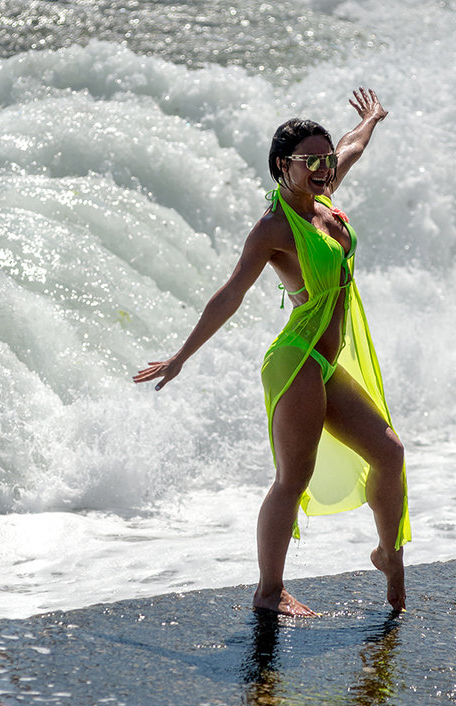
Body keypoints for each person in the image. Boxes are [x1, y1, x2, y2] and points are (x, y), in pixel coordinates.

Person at [134, 88, 409, 617]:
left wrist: (371, 118)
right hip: (297, 359)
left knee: (390, 453)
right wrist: (181, 355)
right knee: (293, 478)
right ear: (284, 166)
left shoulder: (324, 203)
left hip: (326, 361)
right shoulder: (274, 228)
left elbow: (352, 146)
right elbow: (231, 293)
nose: (324, 168)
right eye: (311, 162)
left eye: (325, 160)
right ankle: (268, 591)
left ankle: (386, 552)